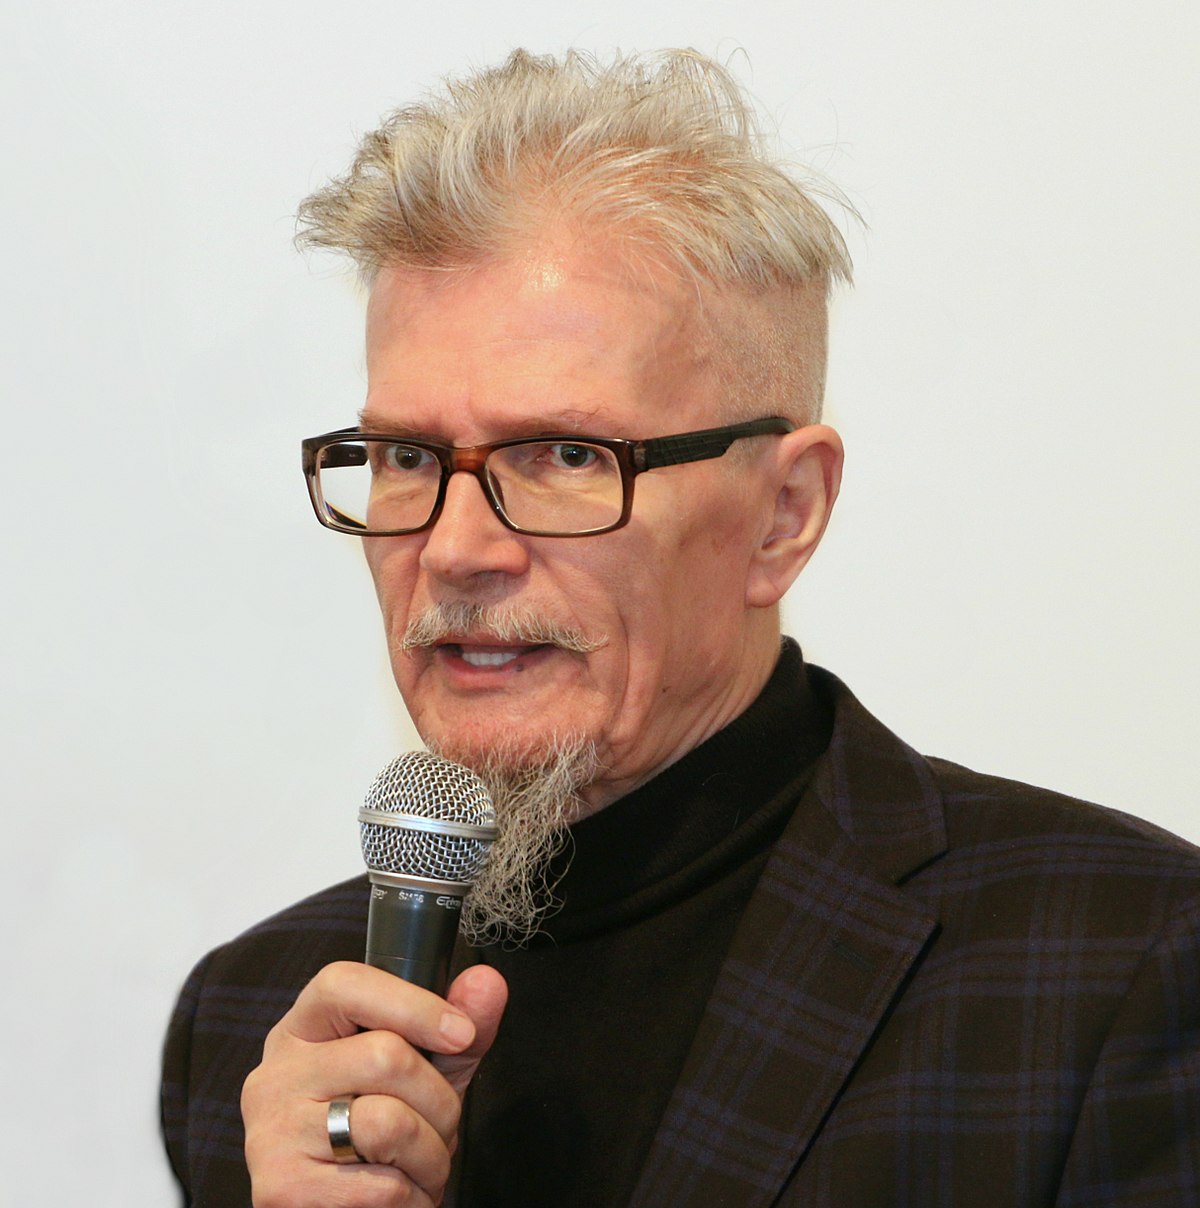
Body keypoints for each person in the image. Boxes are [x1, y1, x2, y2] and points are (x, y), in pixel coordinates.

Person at [161, 49, 1200, 1208]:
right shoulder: (257, 1028)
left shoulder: (1121, 966)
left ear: (783, 514)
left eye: (564, 455)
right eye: (407, 454)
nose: (454, 547)